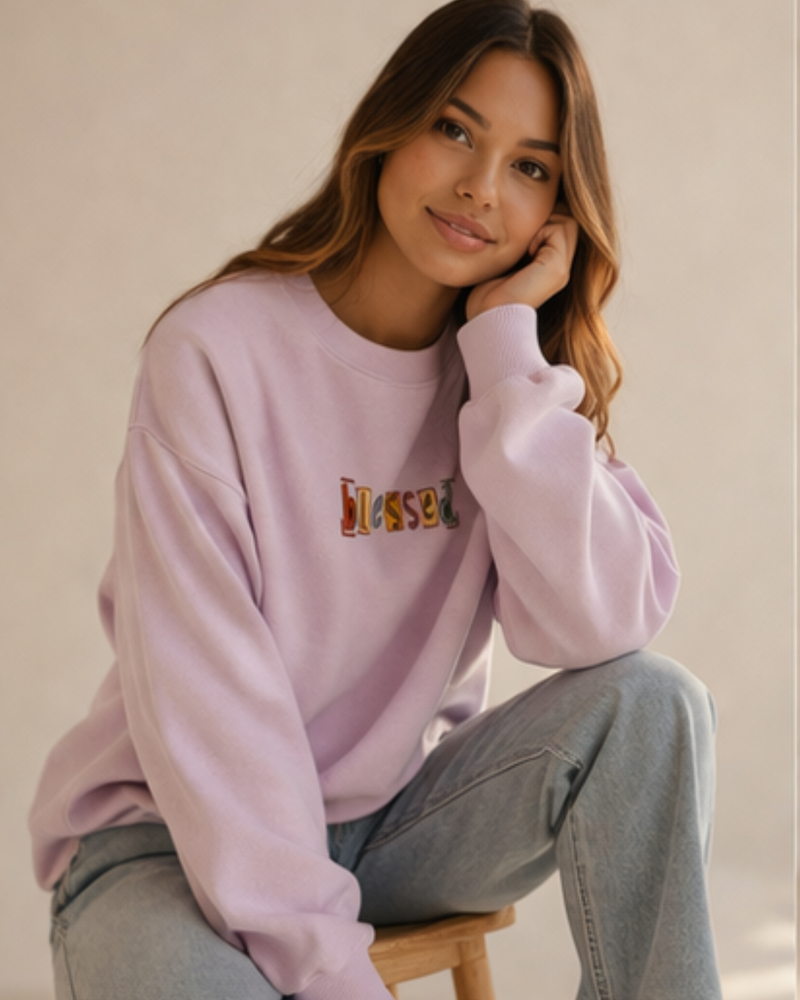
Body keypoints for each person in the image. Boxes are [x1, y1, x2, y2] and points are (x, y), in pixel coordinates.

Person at [29, 1, 722, 997]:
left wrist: (503, 359)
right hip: (168, 845)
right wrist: (331, 972)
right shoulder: (217, 353)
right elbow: (208, 708)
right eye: (454, 129)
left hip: (390, 829)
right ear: (387, 127)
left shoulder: (504, 378)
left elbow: (598, 624)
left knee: (656, 703)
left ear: (555, 213)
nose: (480, 189)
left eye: (528, 166)